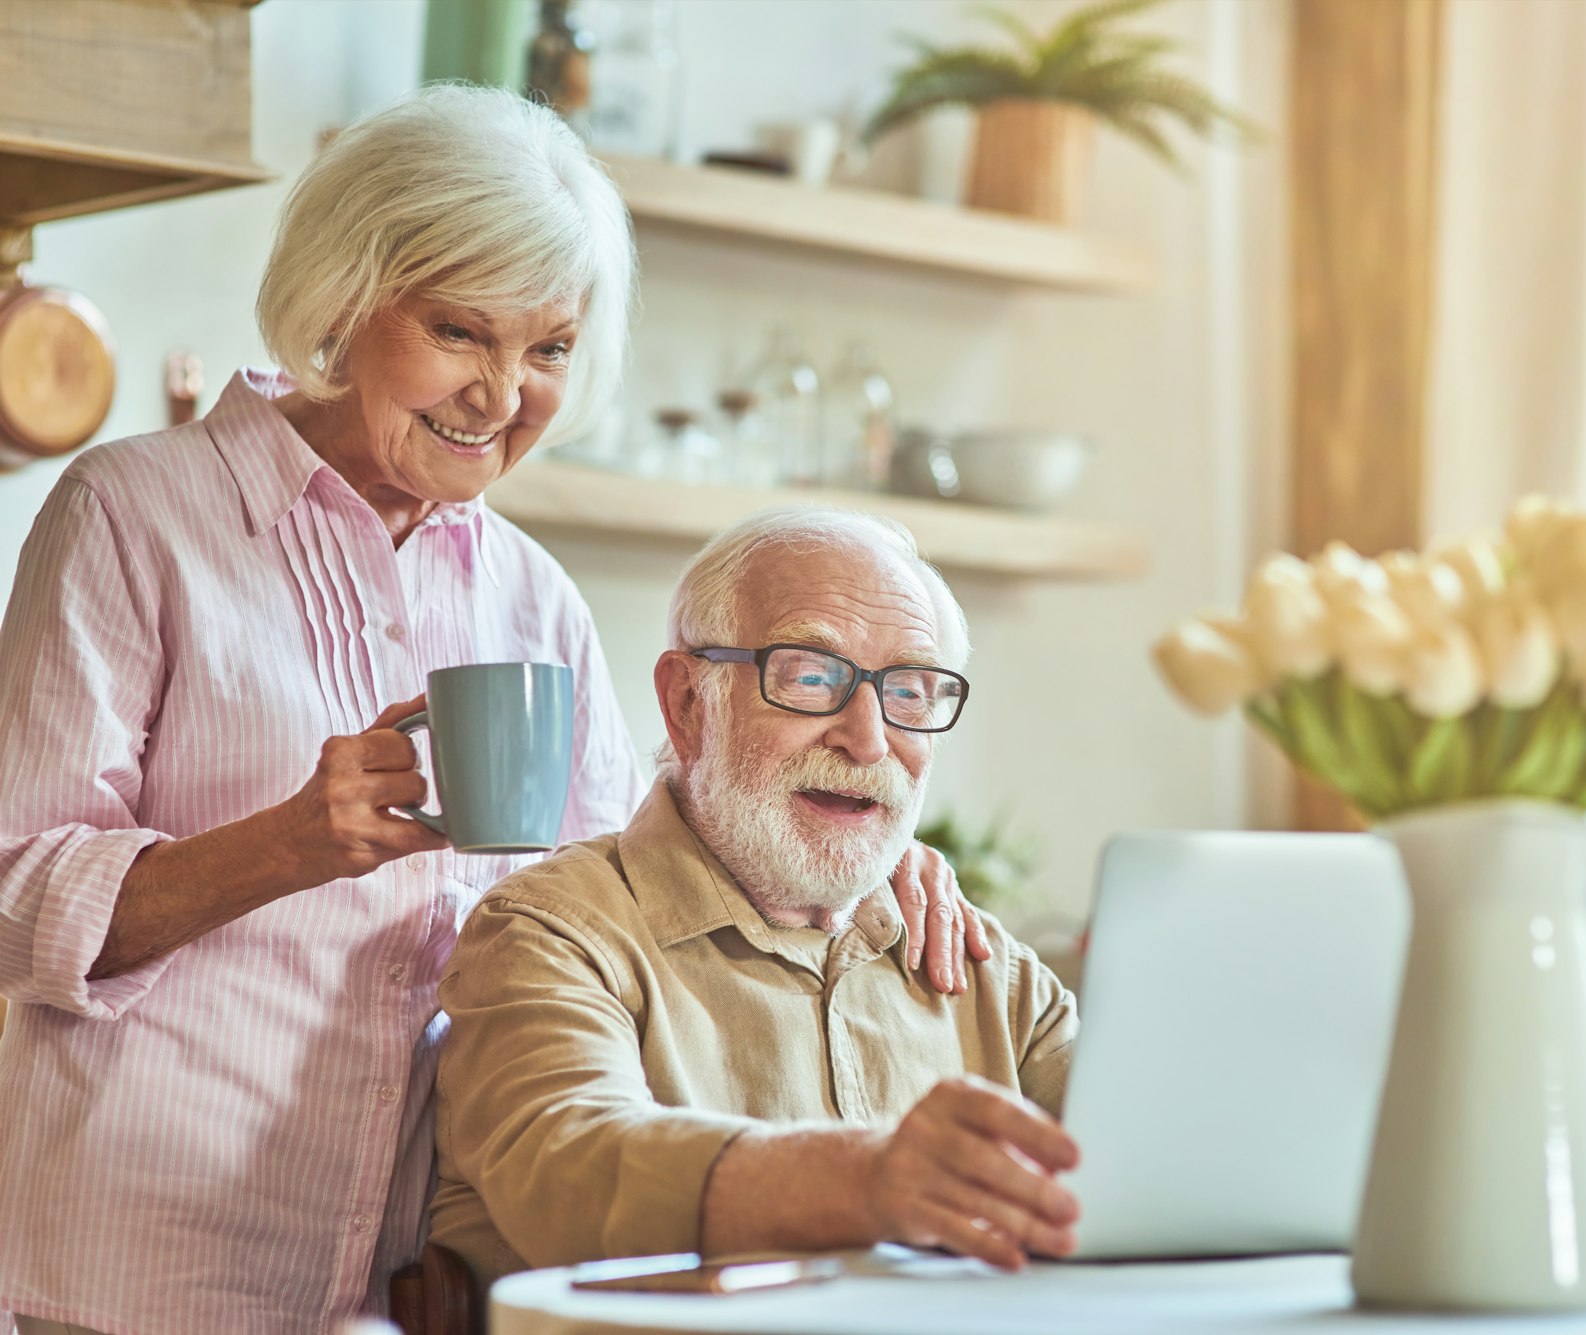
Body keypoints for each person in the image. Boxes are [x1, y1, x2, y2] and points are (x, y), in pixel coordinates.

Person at [0, 89, 979, 1335]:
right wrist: (286, 845)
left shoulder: (534, 596)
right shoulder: (133, 515)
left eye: (551, 350)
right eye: (460, 331)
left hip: (420, 1283)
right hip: (143, 1262)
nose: (503, 394)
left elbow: (620, 901)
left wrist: (862, 860)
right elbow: (12, 892)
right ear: (344, 301)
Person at [429, 510, 1081, 1287]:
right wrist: (865, 1178)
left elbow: (1159, 1156)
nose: (868, 739)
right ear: (688, 704)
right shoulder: (550, 931)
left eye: (908, 691)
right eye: (810, 676)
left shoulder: (981, 966)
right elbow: (573, 1165)